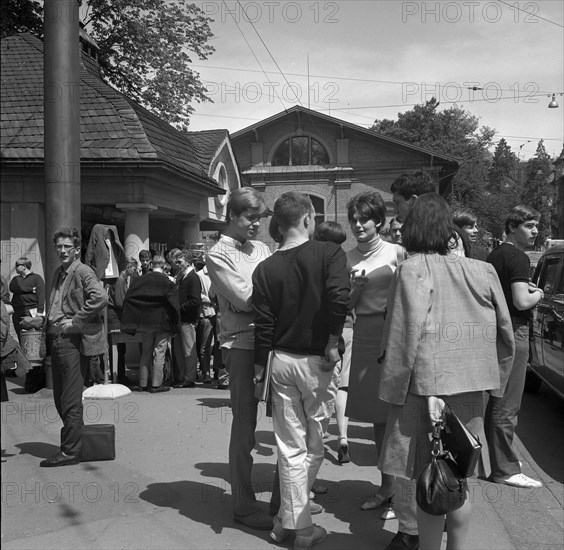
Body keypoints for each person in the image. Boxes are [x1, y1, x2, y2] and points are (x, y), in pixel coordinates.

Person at [378, 194, 515, 550]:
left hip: (423, 389)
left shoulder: (412, 269)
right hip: (472, 387)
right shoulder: (483, 270)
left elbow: (402, 336)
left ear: (412, 229)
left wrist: (392, 391)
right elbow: (505, 334)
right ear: (447, 230)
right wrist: (496, 380)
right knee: (459, 475)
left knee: (430, 478)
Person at [253, 192, 350, 549]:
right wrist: (332, 340)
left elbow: (262, 324)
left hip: (280, 360)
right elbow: (340, 296)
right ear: (308, 219)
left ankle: (287, 522)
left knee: (290, 448)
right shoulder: (329, 253)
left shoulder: (264, 268)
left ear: (277, 225)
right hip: (317, 361)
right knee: (313, 446)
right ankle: (301, 529)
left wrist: (260, 369)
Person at [206, 187, 274, 530]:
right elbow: (246, 299)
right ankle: (244, 507)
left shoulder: (261, 247)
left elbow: (257, 292)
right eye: (251, 217)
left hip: (273, 340)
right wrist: (275, 292)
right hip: (242, 344)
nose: (257, 225)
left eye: (260, 218)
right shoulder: (218, 254)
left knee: (289, 426)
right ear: (232, 215)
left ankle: (286, 502)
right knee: (245, 428)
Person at [345, 191, 405, 514]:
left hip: (393, 334)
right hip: (365, 337)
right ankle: (386, 487)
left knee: (397, 414)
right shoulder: (348, 257)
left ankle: (402, 490)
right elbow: (345, 305)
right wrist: (355, 291)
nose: (357, 225)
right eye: (353, 219)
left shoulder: (397, 252)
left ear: (378, 221)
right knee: (376, 418)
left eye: (363, 219)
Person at [485, 205, 544, 488]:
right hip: (515, 330)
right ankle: (504, 469)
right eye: (530, 225)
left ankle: (503, 458)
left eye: (536, 226)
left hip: (497, 330)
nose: (535, 231)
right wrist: (540, 293)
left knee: (499, 399)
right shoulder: (518, 256)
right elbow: (521, 301)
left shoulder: (495, 255)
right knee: (508, 403)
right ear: (512, 227)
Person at [41, 227, 108, 467]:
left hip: (73, 340)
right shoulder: (60, 272)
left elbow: (100, 297)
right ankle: (73, 444)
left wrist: (77, 320)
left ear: (77, 249)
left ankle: (70, 451)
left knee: (69, 399)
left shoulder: (82, 271)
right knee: (60, 398)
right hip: (58, 338)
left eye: (66, 246)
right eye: (58, 246)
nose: (61, 251)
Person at [313, 221, 352, 464]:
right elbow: (347, 301)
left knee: (320, 390)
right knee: (342, 388)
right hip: (348, 328)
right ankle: (344, 437)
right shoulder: (345, 262)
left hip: (325, 332)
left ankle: (316, 443)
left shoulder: (314, 261)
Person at [121, 254, 180, 393]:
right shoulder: (168, 283)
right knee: (159, 352)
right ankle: (156, 384)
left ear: (152, 264)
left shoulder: (139, 281)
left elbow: (129, 299)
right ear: (164, 265)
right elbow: (174, 305)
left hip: (145, 322)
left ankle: (142, 383)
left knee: (146, 352)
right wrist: (175, 324)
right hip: (162, 323)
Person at [107, 257, 139, 385]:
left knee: (120, 348)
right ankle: (119, 375)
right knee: (118, 347)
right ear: (128, 267)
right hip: (115, 316)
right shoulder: (120, 281)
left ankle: (120, 374)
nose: (135, 271)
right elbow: (119, 303)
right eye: (134, 268)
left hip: (116, 316)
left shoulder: (122, 280)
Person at [172, 249, 201, 389]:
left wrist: (179, 308)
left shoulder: (193, 278)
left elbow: (195, 300)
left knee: (189, 350)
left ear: (188, 262)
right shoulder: (183, 277)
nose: (177, 264)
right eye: (176, 261)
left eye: (180, 262)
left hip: (187, 319)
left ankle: (189, 378)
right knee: (180, 350)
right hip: (181, 319)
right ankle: (183, 376)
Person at [9, 257, 45, 340]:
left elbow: (41, 294)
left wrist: (40, 311)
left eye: (17, 265)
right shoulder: (16, 279)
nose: (15, 267)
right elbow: (12, 288)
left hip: (31, 311)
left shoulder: (37, 278)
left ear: (24, 266)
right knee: (20, 336)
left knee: (30, 336)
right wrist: (30, 289)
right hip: (17, 311)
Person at [194, 255, 216, 384]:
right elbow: (199, 295)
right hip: (207, 314)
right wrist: (212, 301)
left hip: (218, 314)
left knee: (218, 345)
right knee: (205, 345)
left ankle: (218, 372)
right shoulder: (200, 275)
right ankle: (206, 372)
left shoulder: (218, 273)